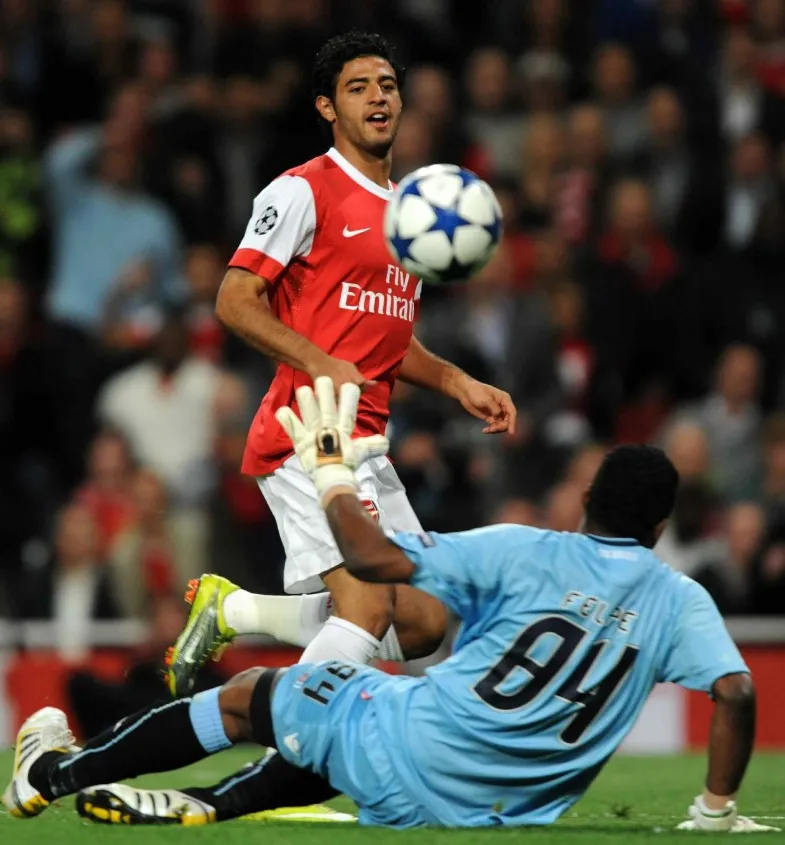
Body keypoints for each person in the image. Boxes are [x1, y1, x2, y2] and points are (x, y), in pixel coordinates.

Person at [4, 378, 774, 833]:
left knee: (257, 693)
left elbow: (374, 562)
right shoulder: (681, 599)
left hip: (414, 745)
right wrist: (713, 809)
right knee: (354, 713)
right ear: (659, 528)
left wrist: (331, 471)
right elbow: (736, 692)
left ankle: (52, 774)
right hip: (496, 811)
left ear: (584, 502)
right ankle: (209, 802)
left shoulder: (525, 547)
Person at [163, 31, 516, 698]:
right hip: (307, 434)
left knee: (423, 621)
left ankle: (236, 610)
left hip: (368, 443)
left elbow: (384, 336)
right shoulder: (302, 191)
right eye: (357, 88)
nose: (377, 97)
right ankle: (283, 743)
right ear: (328, 107)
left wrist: (455, 381)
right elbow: (233, 300)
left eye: (387, 85)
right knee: (367, 607)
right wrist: (320, 361)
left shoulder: (412, 213)